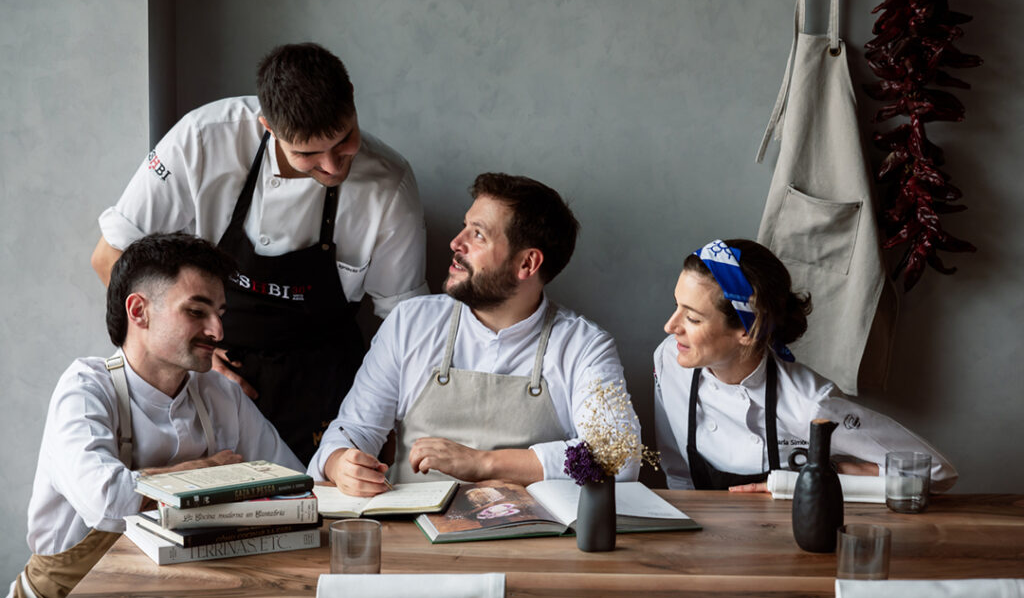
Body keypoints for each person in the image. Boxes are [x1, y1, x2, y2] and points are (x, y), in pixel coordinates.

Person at [89, 42, 428, 464]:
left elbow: (405, 323)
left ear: (353, 101)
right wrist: (196, 353)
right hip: (214, 379)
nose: (333, 166)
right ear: (267, 125)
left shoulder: (389, 184)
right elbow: (111, 257)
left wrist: (385, 416)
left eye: (345, 141)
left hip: (326, 387)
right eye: (307, 154)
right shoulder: (201, 140)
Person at [1, 234, 302, 598]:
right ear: (139, 310)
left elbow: (294, 485)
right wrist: (212, 472)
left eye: (220, 313)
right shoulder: (85, 388)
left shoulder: (221, 394)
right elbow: (108, 502)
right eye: (197, 311)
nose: (217, 330)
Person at [309, 173, 641, 496]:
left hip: (533, 544)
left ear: (527, 263)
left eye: (478, 235)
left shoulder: (584, 347)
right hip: (412, 537)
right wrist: (340, 463)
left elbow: (618, 455)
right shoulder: (410, 323)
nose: (456, 243)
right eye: (465, 226)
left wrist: (484, 463)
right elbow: (354, 430)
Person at [653, 239, 957, 492]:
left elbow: (936, 472)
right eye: (676, 306)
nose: (670, 326)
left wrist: (834, 476)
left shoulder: (810, 403)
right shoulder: (670, 360)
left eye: (692, 318)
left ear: (748, 330)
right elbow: (678, 473)